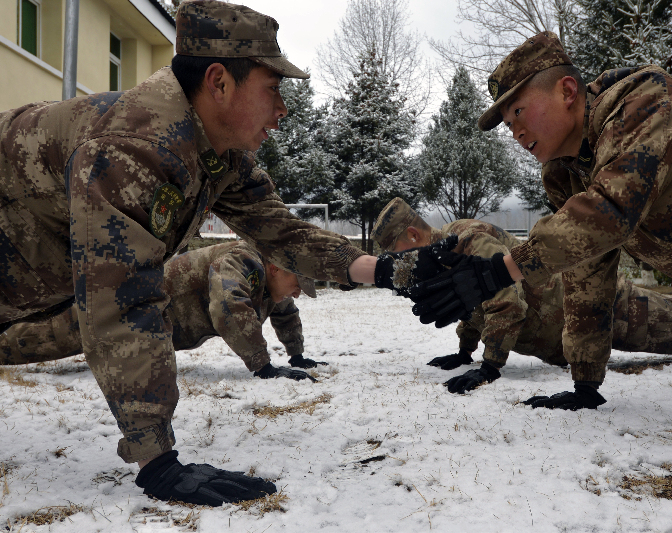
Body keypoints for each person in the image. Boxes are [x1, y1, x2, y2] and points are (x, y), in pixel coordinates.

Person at [0, 0, 451, 506]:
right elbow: (122, 299)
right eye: (273, 88)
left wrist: (389, 270)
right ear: (219, 83)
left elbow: (284, 234)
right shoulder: (135, 147)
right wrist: (158, 462)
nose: (283, 109)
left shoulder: (217, 156)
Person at [408, 31, 672, 411]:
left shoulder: (648, 98)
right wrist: (585, 382)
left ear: (567, 91)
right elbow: (586, 268)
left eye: (519, 112)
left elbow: (611, 209)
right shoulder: (565, 174)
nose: (516, 132)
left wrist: (499, 271)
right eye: (509, 124)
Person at [374, 198, 672, 395]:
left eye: (396, 254)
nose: (398, 265)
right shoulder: (443, 255)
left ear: (412, 235)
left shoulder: (467, 239)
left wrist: (489, 366)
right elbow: (471, 305)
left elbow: (506, 303)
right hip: (569, 328)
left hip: (595, 311)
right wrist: (464, 352)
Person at [0, 240, 326, 373]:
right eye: (298, 284)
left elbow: (285, 312)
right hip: (126, 308)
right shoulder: (243, 261)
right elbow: (228, 306)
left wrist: (296, 354)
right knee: (42, 337)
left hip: (147, 323)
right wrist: (262, 366)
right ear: (275, 268)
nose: (298, 293)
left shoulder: (268, 285)